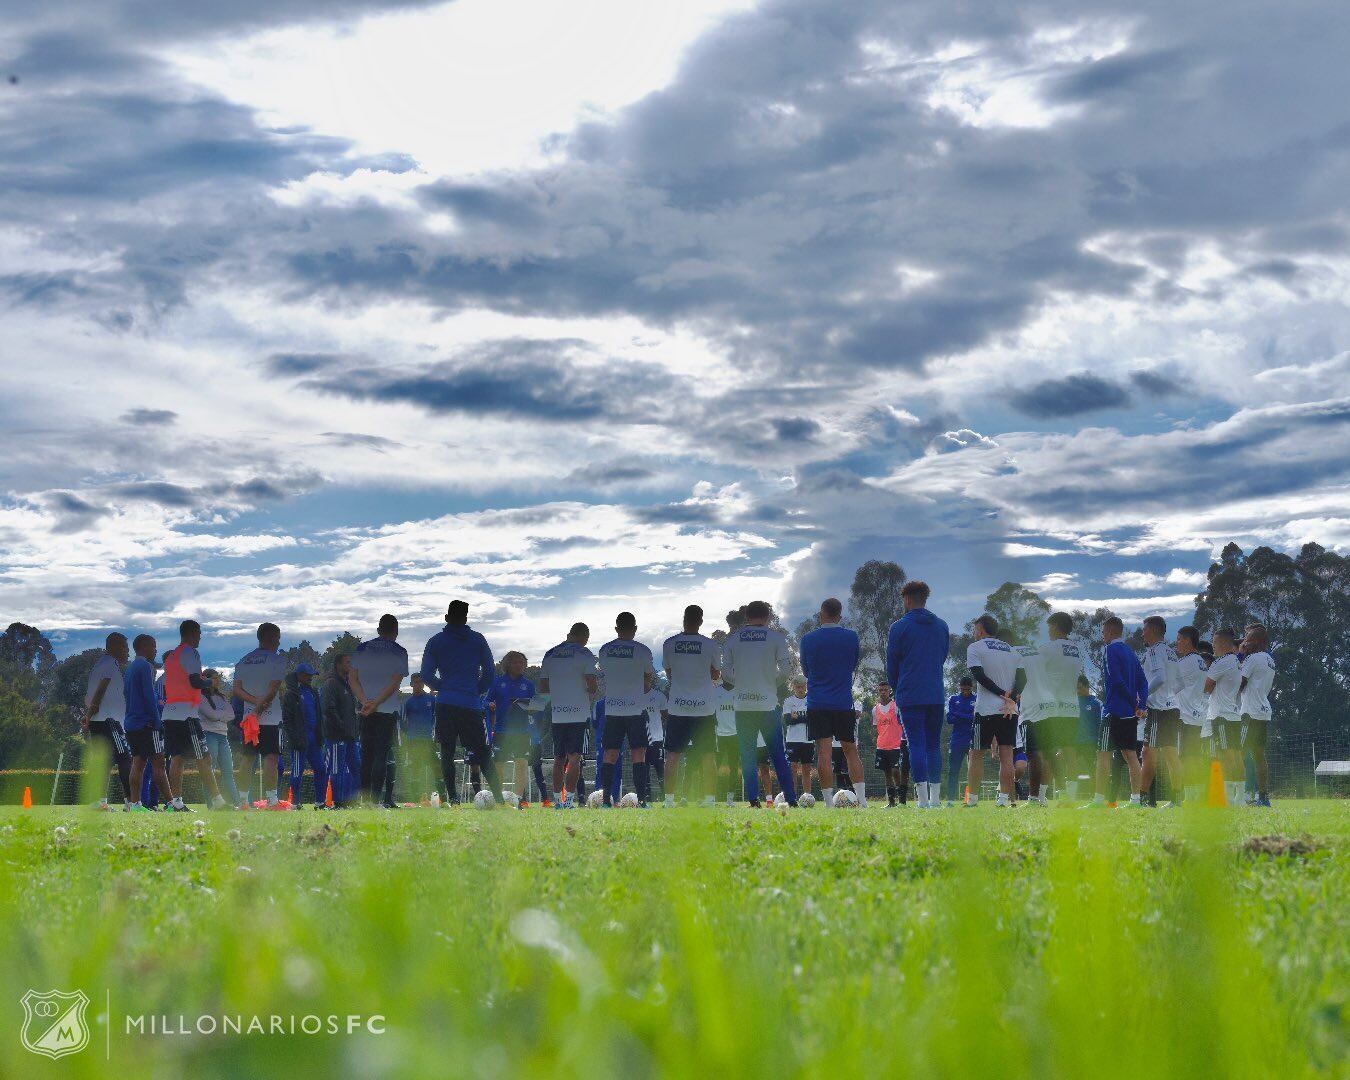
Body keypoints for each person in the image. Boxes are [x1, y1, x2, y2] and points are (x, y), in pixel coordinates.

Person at [422, 601, 505, 805]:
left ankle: (453, 799)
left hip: (446, 703)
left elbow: (425, 674)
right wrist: (475, 690)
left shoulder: (435, 641)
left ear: (446, 618)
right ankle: (500, 800)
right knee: (483, 753)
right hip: (470, 704)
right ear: (466, 619)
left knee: (447, 752)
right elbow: (489, 672)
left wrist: (444, 687)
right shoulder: (477, 640)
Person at [722, 600, 797, 808]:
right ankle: (791, 799)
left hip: (743, 706)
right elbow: (785, 670)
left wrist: (741, 682)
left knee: (747, 755)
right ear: (767, 617)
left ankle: (754, 801)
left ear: (747, 617)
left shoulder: (733, 640)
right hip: (767, 704)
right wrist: (770, 683)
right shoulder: (776, 638)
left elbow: (725, 673)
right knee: (778, 756)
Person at [886, 580, 951, 809]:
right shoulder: (942, 625)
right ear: (925, 598)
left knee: (916, 745)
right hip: (935, 693)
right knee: (933, 745)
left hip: (910, 694)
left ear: (906, 599)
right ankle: (935, 799)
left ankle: (922, 800)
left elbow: (891, 667)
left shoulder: (898, 627)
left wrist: (898, 687)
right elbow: (942, 656)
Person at [1016, 613, 1085, 806]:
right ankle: (1070, 798)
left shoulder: (1047, 648)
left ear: (1055, 626)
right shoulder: (1076, 649)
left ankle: (1041, 796)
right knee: (1069, 754)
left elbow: (1032, 670)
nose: (1047, 631)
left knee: (1047, 754)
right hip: (1072, 707)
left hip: (1052, 709)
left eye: (1049, 627)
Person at [799, 598, 861, 809]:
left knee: (824, 752)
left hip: (818, 703)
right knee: (851, 751)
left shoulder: (808, 639)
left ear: (821, 614)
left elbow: (806, 671)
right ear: (840, 615)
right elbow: (853, 665)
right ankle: (861, 801)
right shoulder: (852, 637)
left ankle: (828, 804)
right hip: (843, 703)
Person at [162, 620, 228, 810]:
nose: (200, 637)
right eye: (199, 633)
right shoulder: (191, 652)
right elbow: (194, 682)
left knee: (177, 758)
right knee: (204, 758)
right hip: (186, 715)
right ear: (191, 633)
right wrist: (211, 682)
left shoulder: (172, 656)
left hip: (170, 713)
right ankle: (217, 801)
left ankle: (176, 803)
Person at [662, 605, 721, 807]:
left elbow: (669, 674)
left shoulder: (669, 644)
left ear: (684, 619)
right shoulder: (710, 645)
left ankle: (669, 801)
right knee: (707, 755)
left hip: (678, 707)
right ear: (701, 621)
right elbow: (715, 674)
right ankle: (710, 800)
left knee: (672, 755)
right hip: (704, 708)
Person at [1088, 616, 1149, 808]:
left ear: (1109, 631)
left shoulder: (1110, 649)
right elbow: (1143, 682)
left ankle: (1098, 800)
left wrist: (1132, 701)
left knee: (1103, 755)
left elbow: (1115, 679)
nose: (1103, 636)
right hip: (1130, 714)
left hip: (1113, 711)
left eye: (1103, 632)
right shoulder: (1131, 653)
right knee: (1131, 755)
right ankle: (1136, 801)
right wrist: (1141, 705)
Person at [350, 614, 409, 808]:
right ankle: (374, 800)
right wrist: (376, 703)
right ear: (396, 631)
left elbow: (353, 680)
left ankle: (364, 800)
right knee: (381, 755)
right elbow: (394, 683)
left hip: (365, 710)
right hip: (386, 710)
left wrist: (365, 701)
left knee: (366, 755)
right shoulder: (399, 651)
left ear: (378, 630)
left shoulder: (361, 649)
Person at [539, 622, 598, 809]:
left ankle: (557, 801)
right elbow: (593, 686)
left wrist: (559, 692)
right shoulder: (584, 654)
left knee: (559, 758)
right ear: (584, 638)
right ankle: (570, 801)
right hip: (579, 714)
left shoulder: (550, 654)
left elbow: (542, 688)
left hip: (558, 714)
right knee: (575, 758)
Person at [964, 614, 1020, 807]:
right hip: (1009, 711)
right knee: (1007, 756)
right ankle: (1003, 800)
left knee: (976, 754)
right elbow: (1023, 679)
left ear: (980, 630)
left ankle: (972, 801)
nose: (974, 633)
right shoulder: (1013, 650)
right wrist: (1011, 697)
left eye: (975, 630)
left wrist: (1002, 693)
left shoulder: (975, 647)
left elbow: (979, 676)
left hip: (986, 710)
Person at [233, 623, 288, 809]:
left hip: (249, 719)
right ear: (271, 637)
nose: (279, 642)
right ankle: (272, 801)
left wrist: (253, 704)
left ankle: (242, 801)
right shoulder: (276, 660)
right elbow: (273, 688)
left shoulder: (244, 660)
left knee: (247, 758)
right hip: (270, 718)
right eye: (278, 637)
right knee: (271, 757)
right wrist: (259, 708)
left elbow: (237, 689)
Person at [123, 633, 176, 812]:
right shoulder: (146, 666)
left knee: (137, 763)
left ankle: (135, 804)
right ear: (144, 647)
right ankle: (171, 804)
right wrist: (157, 721)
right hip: (147, 724)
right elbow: (148, 696)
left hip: (131, 724)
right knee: (159, 764)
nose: (155, 650)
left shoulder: (130, 668)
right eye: (153, 646)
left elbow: (126, 694)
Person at [82, 632, 133, 810]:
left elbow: (90, 695)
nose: (128, 652)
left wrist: (88, 716)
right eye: (126, 648)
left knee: (103, 762)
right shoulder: (110, 663)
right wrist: (89, 715)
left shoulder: (100, 664)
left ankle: (100, 803)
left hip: (100, 721)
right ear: (114, 646)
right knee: (125, 759)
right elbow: (101, 688)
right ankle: (131, 803)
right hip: (109, 721)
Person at [1138, 616, 1184, 806]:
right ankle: (1177, 801)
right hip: (1173, 708)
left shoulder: (1155, 650)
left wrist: (1142, 697)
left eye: (1145, 629)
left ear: (1155, 631)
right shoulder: (1171, 652)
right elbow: (1180, 683)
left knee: (1148, 753)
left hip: (1158, 710)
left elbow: (1160, 678)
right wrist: (1167, 696)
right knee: (1171, 755)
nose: (1143, 633)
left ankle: (1140, 798)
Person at [486, 651, 537, 803]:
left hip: (522, 732)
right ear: (507, 664)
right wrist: (490, 704)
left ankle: (518, 800)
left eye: (521, 662)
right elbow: (485, 701)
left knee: (521, 764)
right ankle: (498, 799)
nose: (519, 665)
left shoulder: (528, 684)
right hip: (501, 731)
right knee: (498, 766)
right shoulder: (497, 682)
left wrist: (530, 706)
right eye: (515, 662)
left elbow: (537, 706)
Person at [1204, 629, 1244, 805]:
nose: (1212, 645)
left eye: (1214, 642)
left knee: (1225, 756)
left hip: (1221, 716)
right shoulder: (1235, 661)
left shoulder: (1220, 662)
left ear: (1222, 643)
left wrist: (1210, 686)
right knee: (1236, 756)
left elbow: (1206, 687)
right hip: (1234, 715)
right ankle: (1240, 798)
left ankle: (1227, 799)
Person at [1238, 625, 1276, 807]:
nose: (1246, 642)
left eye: (1249, 639)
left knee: (1238, 752)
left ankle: (1240, 797)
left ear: (1259, 641)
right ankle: (1263, 798)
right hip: (1263, 711)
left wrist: (1241, 656)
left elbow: (1239, 684)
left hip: (1249, 712)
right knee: (1259, 755)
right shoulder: (1269, 659)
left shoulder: (1252, 659)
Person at [282, 663, 327, 809]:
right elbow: (287, 720)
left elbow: (318, 716)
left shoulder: (313, 693)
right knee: (297, 771)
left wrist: (320, 735)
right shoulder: (291, 694)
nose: (310, 678)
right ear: (299, 675)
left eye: (311, 675)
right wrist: (294, 739)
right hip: (300, 740)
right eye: (307, 675)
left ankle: (320, 803)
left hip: (314, 739)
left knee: (321, 769)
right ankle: (295, 803)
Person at [198, 668, 243, 807]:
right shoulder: (200, 697)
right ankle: (212, 805)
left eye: (218, 678)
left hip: (223, 737)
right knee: (209, 771)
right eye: (214, 678)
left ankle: (237, 804)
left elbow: (232, 715)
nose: (217, 680)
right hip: (209, 735)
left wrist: (218, 715)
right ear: (205, 679)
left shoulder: (222, 697)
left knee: (228, 772)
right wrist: (220, 715)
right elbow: (211, 715)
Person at [1173, 626, 1209, 800]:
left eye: (1179, 639)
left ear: (1187, 641)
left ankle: (1188, 797)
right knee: (1195, 757)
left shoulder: (1184, 662)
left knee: (1185, 758)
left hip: (1184, 715)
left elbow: (1171, 687)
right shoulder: (1201, 662)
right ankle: (1198, 795)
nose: (1176, 643)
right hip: (1198, 714)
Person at [323, 653, 361, 807]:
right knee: (337, 769)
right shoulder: (331, 684)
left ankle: (356, 800)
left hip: (351, 736)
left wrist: (354, 729)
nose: (350, 665)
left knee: (357, 767)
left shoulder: (349, 685)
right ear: (338, 664)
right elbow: (329, 709)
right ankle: (338, 802)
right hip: (337, 736)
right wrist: (342, 728)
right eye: (347, 662)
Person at [401, 674, 438, 801]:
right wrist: (410, 734)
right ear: (411, 684)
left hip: (428, 740)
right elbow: (402, 722)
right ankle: (416, 798)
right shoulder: (408, 702)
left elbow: (435, 717)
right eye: (415, 682)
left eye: (421, 682)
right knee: (415, 768)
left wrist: (431, 732)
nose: (418, 684)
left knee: (435, 766)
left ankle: (442, 796)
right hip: (413, 741)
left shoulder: (431, 699)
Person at [873, 682, 908, 806]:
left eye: (885, 690)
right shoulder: (875, 709)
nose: (883, 692)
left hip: (896, 745)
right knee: (887, 772)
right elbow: (876, 727)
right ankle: (891, 802)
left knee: (895, 771)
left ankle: (901, 800)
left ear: (889, 691)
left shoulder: (896, 706)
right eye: (881, 690)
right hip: (881, 746)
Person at [943, 677, 976, 806]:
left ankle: (972, 800)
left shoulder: (976, 699)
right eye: (963, 689)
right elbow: (949, 719)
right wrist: (966, 716)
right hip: (956, 740)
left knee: (973, 771)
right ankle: (950, 801)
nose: (965, 692)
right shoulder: (953, 699)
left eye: (967, 689)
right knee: (953, 770)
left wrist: (958, 714)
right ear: (959, 687)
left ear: (971, 688)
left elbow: (975, 718)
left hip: (973, 739)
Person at [781, 676, 812, 800]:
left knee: (806, 769)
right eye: (798, 687)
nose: (800, 689)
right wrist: (803, 718)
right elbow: (787, 720)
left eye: (802, 686)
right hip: (792, 740)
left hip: (808, 740)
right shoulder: (788, 701)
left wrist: (796, 717)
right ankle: (791, 797)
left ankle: (807, 797)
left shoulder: (810, 700)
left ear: (806, 686)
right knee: (792, 769)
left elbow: (813, 719)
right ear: (793, 687)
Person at [714, 679, 739, 803]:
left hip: (735, 735)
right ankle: (711, 797)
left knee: (734, 767)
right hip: (719, 735)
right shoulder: (715, 692)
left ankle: (730, 799)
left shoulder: (739, 691)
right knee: (715, 766)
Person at [644, 685, 668, 798]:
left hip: (657, 739)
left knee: (660, 767)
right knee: (644, 768)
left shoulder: (659, 696)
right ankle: (646, 797)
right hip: (641, 740)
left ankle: (665, 796)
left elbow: (665, 716)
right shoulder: (634, 695)